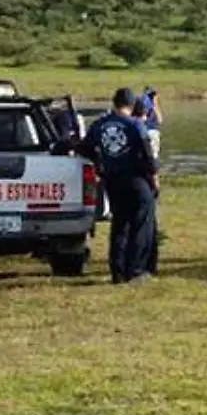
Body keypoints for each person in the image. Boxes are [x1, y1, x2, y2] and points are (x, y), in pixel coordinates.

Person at [78, 86, 160, 284]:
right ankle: (136, 270)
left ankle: (118, 271)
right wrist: (154, 174)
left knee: (119, 225)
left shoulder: (100, 124)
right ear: (132, 106)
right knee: (141, 224)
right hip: (137, 180)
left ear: (114, 103)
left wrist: (100, 165)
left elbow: (85, 147)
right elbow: (147, 154)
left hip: (113, 180)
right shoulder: (135, 125)